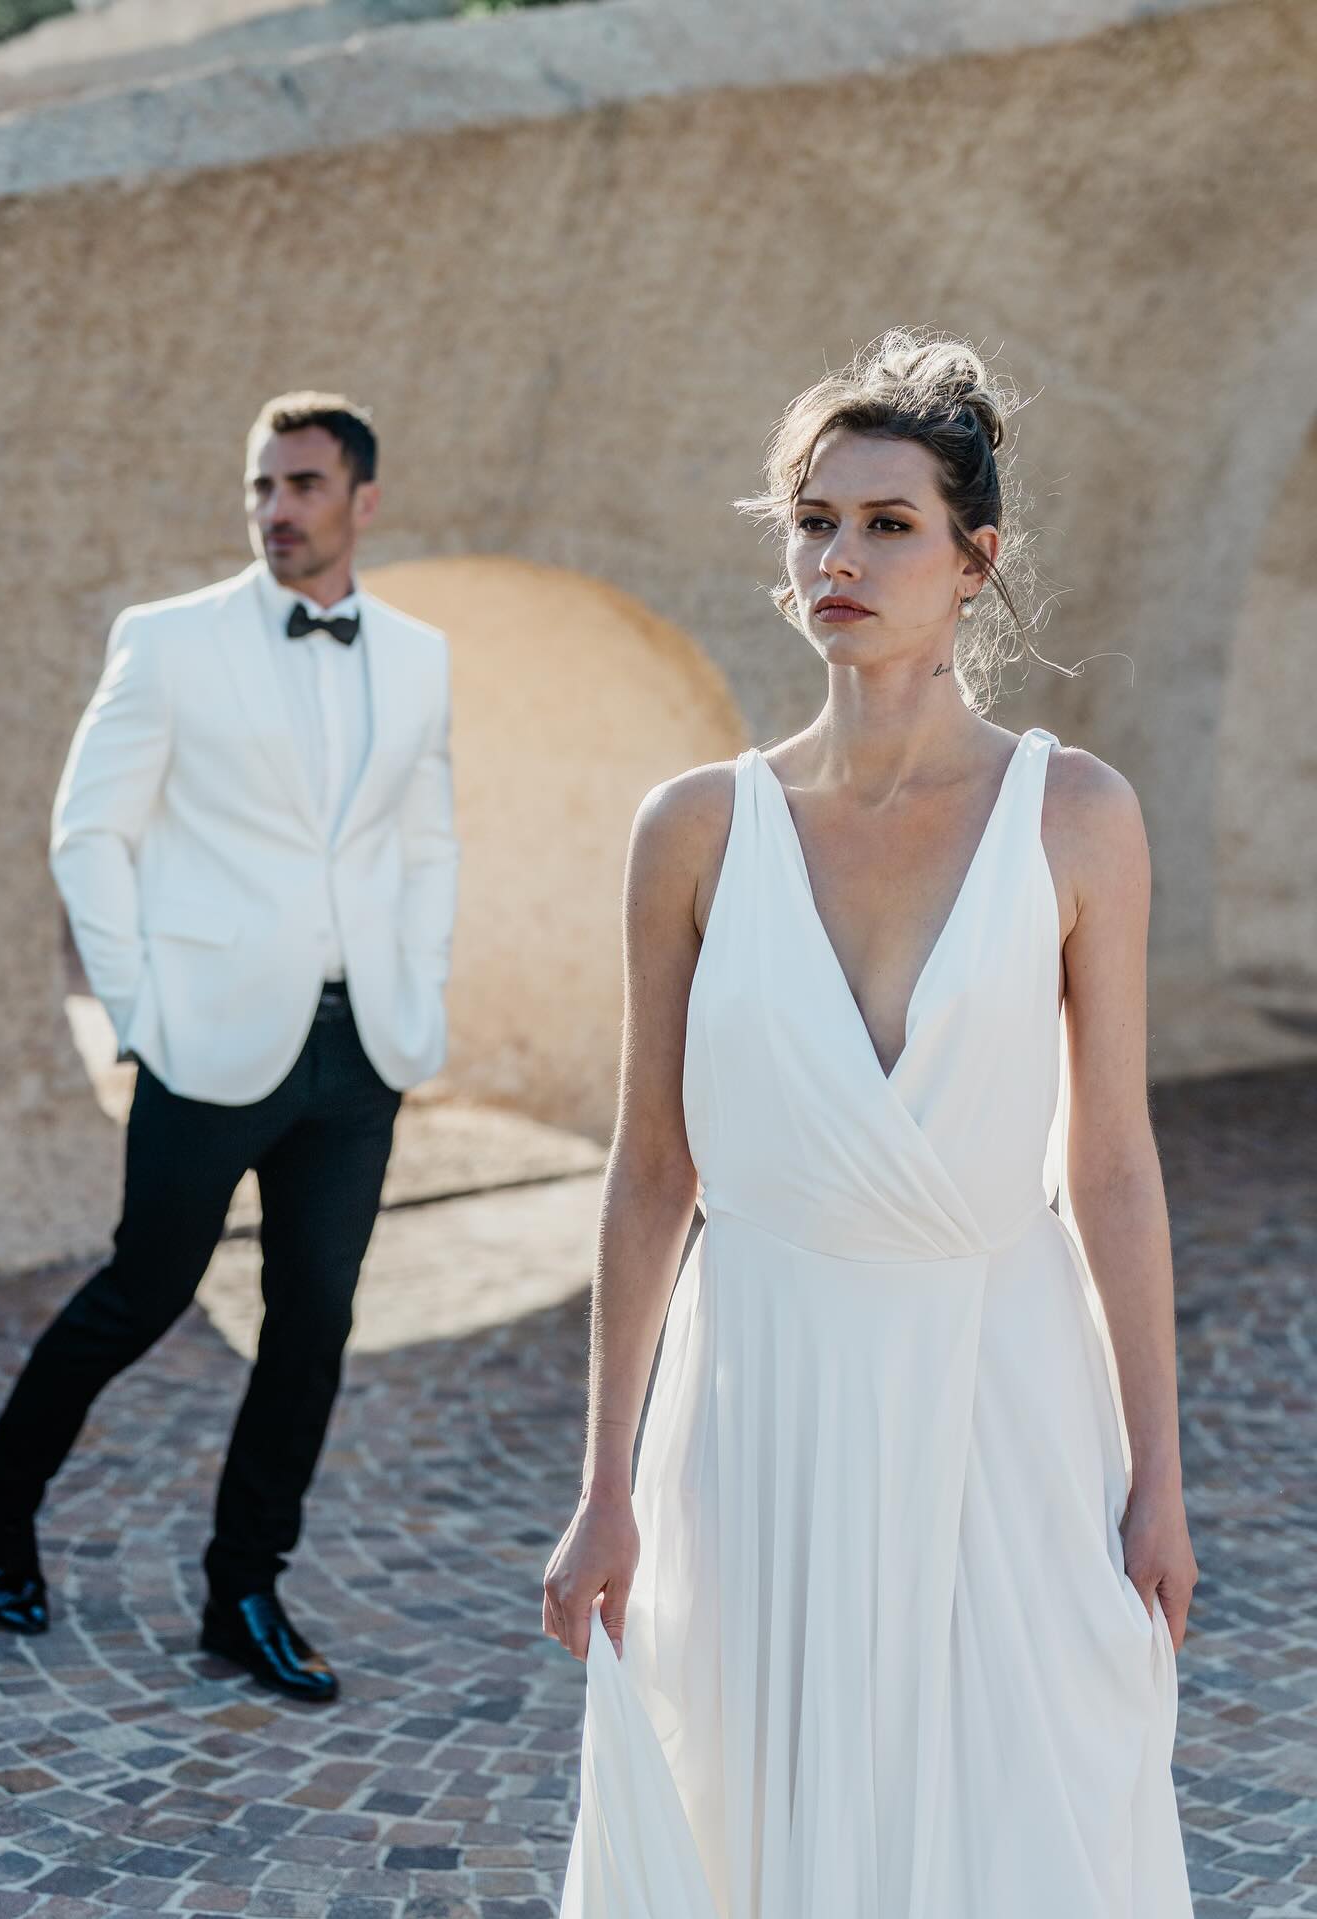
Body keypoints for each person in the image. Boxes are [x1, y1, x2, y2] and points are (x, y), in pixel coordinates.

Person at [543, 331, 1198, 1914]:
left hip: (1003, 1391)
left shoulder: (1079, 817)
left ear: (976, 560)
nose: (840, 556)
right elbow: (649, 1175)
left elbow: (1109, 1168)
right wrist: (606, 1483)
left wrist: (1160, 1473)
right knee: (756, 1800)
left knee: (1009, 1811)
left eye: (888, 524)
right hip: (756, 1395)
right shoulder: (696, 829)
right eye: (815, 520)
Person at [0, 392, 459, 1704]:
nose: (277, 511)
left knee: (314, 1326)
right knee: (143, 1293)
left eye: (303, 485)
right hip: (208, 1044)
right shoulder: (170, 643)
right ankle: (1, 1499)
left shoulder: (419, 657)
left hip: (360, 1056)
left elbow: (427, 838)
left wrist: (422, 987)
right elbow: (90, 834)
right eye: (261, 486)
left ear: (363, 501)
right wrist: (143, 1016)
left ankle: (245, 1586)